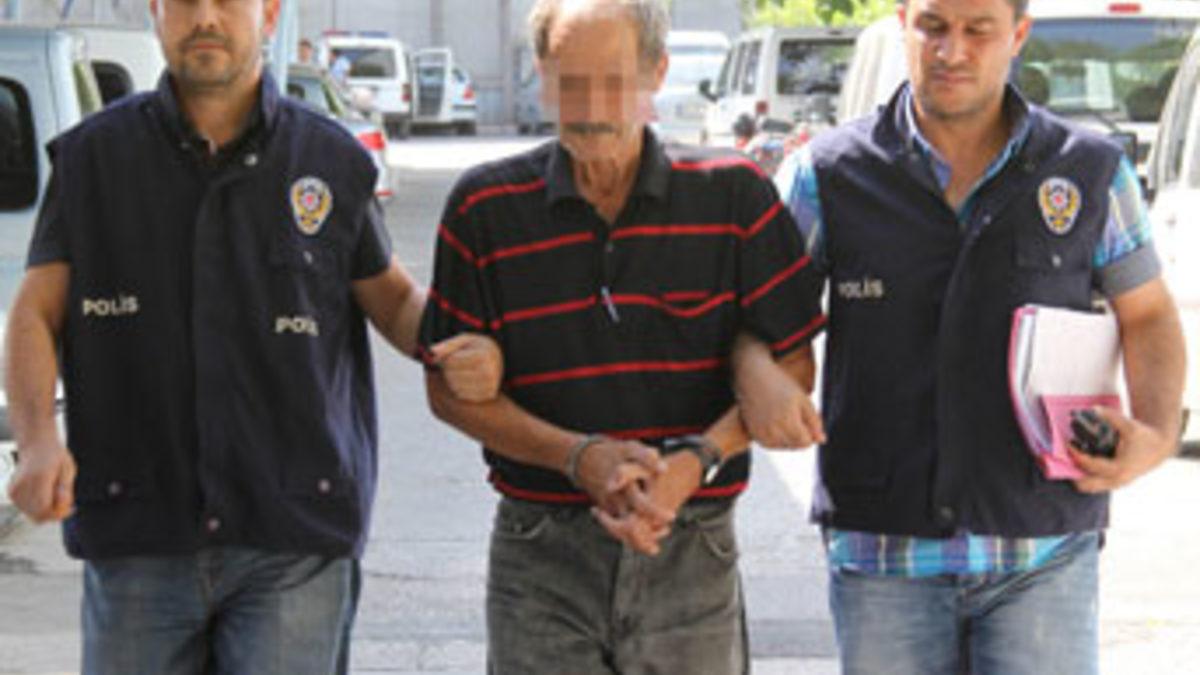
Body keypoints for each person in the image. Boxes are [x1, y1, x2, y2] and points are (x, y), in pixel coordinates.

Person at [2, 0, 500, 673]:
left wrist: (454, 345)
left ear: (268, 13)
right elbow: (35, 313)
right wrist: (37, 440)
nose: (205, 17)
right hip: (140, 530)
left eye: (228, 1)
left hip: (292, 534)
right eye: (184, 1)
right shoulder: (94, 161)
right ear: (156, 11)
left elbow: (394, 299)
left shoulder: (328, 160)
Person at [771, 0, 1186, 673]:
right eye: (933, 26)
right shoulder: (825, 175)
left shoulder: (1089, 171)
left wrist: (1157, 433)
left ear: (1018, 36)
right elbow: (765, 324)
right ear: (903, 24)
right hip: (884, 555)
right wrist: (771, 386)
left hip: (1043, 556)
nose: (952, 51)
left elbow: (1148, 315)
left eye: (978, 31)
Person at [419, 0, 827, 672]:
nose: (589, 108)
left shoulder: (735, 196)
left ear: (656, 73)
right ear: (541, 76)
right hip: (539, 556)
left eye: (612, 81)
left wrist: (692, 463)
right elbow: (447, 392)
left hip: (691, 546)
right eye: (569, 81)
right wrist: (578, 457)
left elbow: (793, 367)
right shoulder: (483, 208)